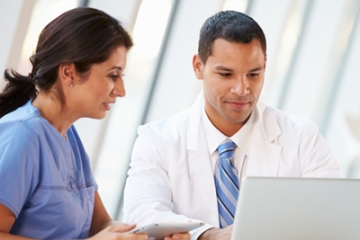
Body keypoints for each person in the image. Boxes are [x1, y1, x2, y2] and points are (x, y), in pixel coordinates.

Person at [122, 10, 344, 240]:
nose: (242, 89)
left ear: (265, 65)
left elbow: (334, 216)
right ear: (198, 66)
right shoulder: (158, 140)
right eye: (226, 74)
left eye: (253, 74)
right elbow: (140, 214)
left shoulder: (302, 138)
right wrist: (209, 235)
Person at [0, 7, 190, 240]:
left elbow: (100, 225)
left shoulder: (69, 137)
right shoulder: (21, 136)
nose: (121, 91)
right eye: (112, 75)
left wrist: (147, 236)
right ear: (69, 73)